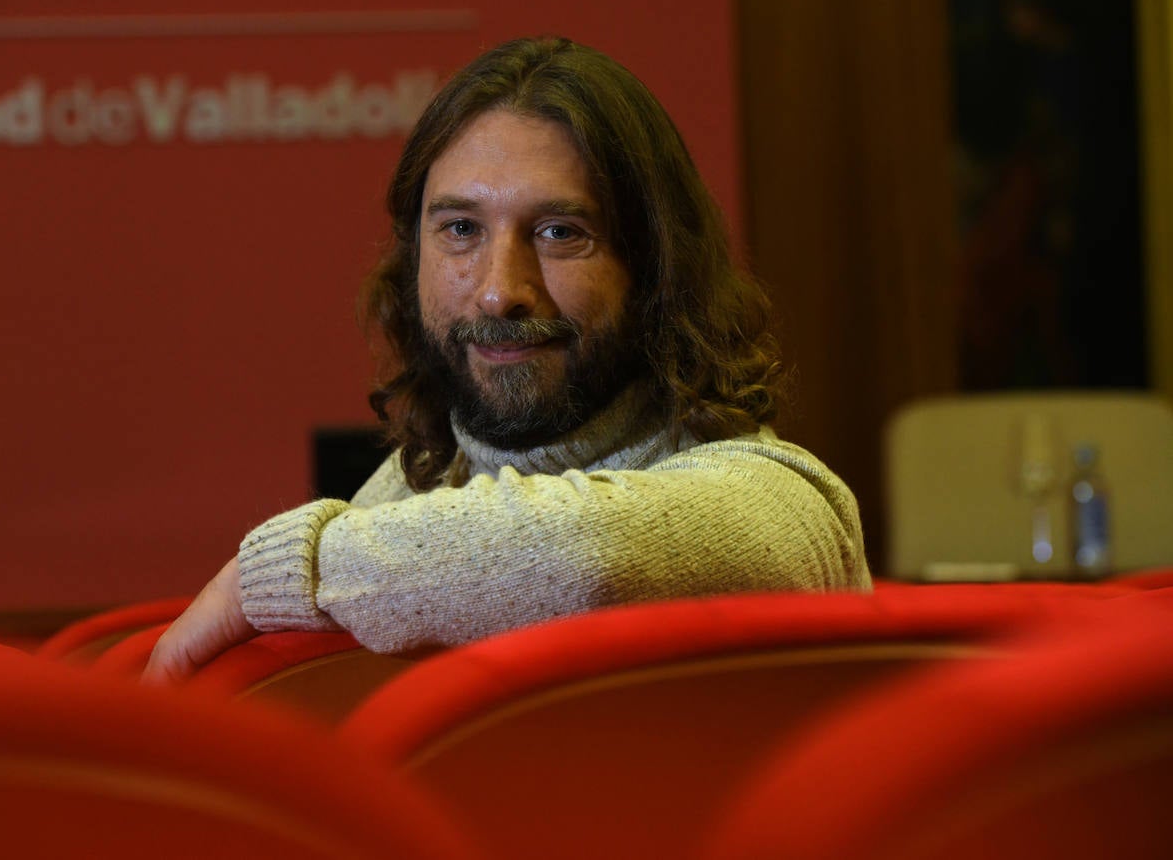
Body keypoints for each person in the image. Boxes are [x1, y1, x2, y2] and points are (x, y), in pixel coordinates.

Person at [144, 36, 869, 681]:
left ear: (655, 267)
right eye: (461, 229)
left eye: (559, 232)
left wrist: (275, 572)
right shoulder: (405, 494)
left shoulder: (782, 500)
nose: (499, 291)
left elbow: (587, 554)